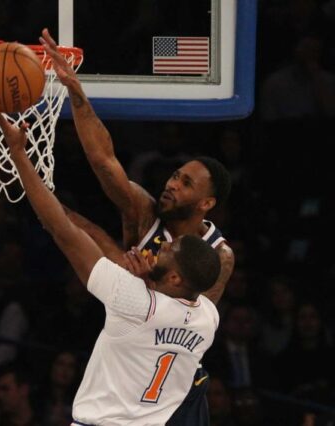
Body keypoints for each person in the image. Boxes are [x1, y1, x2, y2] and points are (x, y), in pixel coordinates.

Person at [40, 28, 235, 424]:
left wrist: (141, 283)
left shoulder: (220, 255)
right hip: (131, 358)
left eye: (184, 184)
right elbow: (103, 160)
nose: (171, 184)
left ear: (206, 203)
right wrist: (76, 93)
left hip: (176, 385)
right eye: (175, 175)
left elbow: (183, 321)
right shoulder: (145, 212)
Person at [0, 104, 221, 424]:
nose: (160, 246)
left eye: (168, 249)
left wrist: (18, 153)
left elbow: (61, 228)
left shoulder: (134, 300)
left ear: (176, 278)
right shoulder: (207, 320)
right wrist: (149, 283)